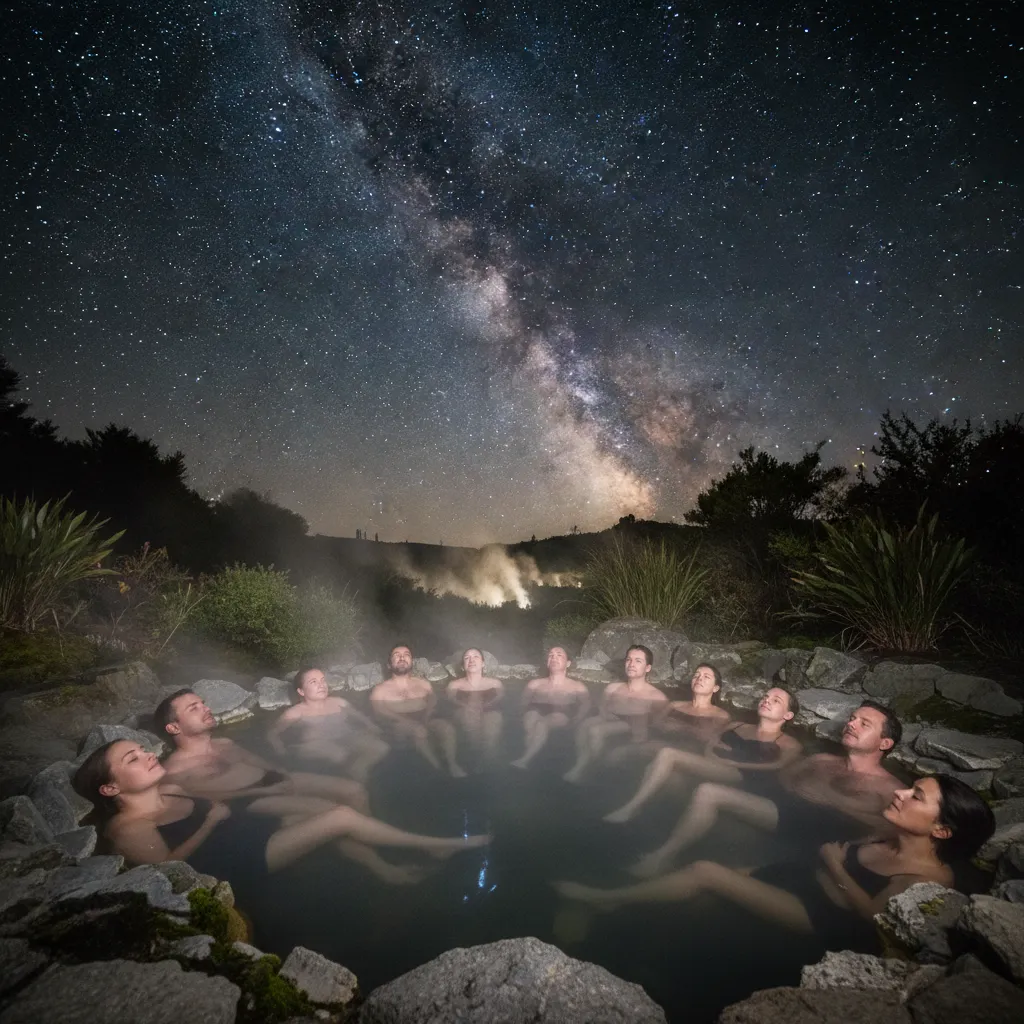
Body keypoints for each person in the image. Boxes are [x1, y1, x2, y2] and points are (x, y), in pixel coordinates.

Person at [555, 774, 995, 953]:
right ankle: (613, 910)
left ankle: (601, 899)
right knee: (697, 895)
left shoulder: (932, 880)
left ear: (942, 830)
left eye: (915, 796)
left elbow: (877, 919)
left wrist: (838, 868)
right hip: (803, 876)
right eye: (909, 788)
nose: (899, 793)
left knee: (705, 873)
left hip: (820, 915)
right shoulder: (886, 833)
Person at [156, 689, 476, 884]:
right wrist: (267, 790)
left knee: (354, 790)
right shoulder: (174, 770)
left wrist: (283, 776)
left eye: (202, 703)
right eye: (194, 708)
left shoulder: (224, 742)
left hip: (273, 785)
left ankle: (370, 841)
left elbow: (264, 764)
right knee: (338, 813)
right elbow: (215, 798)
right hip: (251, 803)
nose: (205, 708)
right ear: (174, 727)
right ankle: (378, 865)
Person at [73, 740, 489, 878]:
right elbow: (166, 872)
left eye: (142, 749)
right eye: (132, 759)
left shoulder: (173, 788)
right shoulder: (128, 826)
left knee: (327, 810)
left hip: (247, 833)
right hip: (239, 861)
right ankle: (439, 845)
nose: (146, 755)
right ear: (111, 788)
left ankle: (385, 870)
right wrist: (211, 821)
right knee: (340, 817)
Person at [624, 699, 902, 877]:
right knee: (709, 791)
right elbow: (784, 777)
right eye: (852, 718)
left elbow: (889, 831)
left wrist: (835, 807)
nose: (851, 724)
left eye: (863, 723)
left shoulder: (891, 787)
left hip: (823, 835)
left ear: (885, 743)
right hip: (783, 811)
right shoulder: (821, 759)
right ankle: (663, 856)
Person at [603, 685, 801, 828]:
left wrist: (733, 762)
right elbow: (711, 743)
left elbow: (778, 766)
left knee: (668, 754)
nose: (766, 700)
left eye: (776, 701)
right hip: (717, 765)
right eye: (766, 696)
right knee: (667, 775)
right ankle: (652, 821)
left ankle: (633, 807)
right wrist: (711, 757)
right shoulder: (737, 725)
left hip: (745, 774)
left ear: (788, 715)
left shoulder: (789, 742)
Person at [563, 645, 669, 783]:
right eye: (628, 660)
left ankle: (590, 769)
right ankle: (582, 761)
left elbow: (658, 725)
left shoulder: (657, 697)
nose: (631, 664)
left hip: (634, 735)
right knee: (585, 725)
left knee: (596, 730)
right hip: (610, 724)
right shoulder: (612, 689)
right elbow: (602, 709)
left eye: (638, 661)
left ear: (647, 668)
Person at [267, 667, 389, 782]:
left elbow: (360, 717)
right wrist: (281, 751)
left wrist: (372, 727)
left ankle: (357, 772)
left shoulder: (340, 703)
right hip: (316, 744)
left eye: (322, 680)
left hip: (347, 737)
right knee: (340, 755)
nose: (321, 685)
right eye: (313, 682)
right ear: (301, 691)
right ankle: (356, 781)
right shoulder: (295, 713)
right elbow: (272, 734)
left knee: (381, 747)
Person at [371, 645, 465, 777]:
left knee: (446, 728)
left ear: (411, 662)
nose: (402, 657)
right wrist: (404, 721)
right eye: (397, 655)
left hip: (424, 717)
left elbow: (433, 703)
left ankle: (452, 764)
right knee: (418, 731)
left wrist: (426, 718)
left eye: (406, 654)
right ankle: (437, 769)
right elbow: (380, 714)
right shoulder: (380, 690)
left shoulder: (423, 684)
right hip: (397, 724)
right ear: (389, 664)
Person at [511, 646, 591, 769]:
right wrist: (521, 718)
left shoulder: (577, 686)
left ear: (568, 663)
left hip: (561, 712)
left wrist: (576, 720)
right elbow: (523, 705)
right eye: (551, 655)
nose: (554, 657)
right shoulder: (534, 684)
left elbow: (586, 705)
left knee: (541, 724)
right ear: (547, 662)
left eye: (559, 655)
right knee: (531, 716)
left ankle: (525, 759)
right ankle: (536, 751)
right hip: (535, 710)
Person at [447, 648, 504, 761]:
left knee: (494, 717)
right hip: (464, 713)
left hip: (489, 711)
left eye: (476, 657)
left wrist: (485, 706)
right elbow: (451, 701)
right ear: (463, 666)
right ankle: (474, 753)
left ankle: (489, 754)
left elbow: (500, 700)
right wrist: (466, 706)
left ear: (483, 663)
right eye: (467, 658)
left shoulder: (495, 683)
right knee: (467, 715)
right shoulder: (454, 685)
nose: (471, 660)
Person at [657, 663, 732, 744]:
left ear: (715, 688)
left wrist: (679, 726)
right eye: (696, 676)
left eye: (706, 677)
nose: (699, 679)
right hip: (664, 743)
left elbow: (710, 740)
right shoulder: (674, 706)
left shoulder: (721, 716)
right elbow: (655, 725)